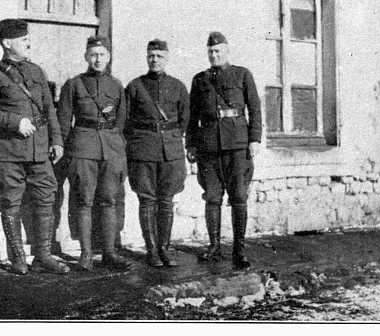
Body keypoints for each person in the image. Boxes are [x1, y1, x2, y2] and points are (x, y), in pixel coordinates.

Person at [0, 18, 69, 275]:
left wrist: (57, 140)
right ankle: (17, 259)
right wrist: (15, 122)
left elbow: (50, 109)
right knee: (10, 203)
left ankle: (43, 255)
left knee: (46, 197)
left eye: (28, 39)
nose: (29, 43)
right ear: (7, 43)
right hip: (6, 151)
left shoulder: (37, 71)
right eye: (23, 40)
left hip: (38, 150)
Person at [185, 32, 262, 270]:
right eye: (211, 51)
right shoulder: (200, 80)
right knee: (212, 198)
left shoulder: (242, 74)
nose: (214, 55)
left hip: (237, 146)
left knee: (239, 198)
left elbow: (255, 108)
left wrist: (254, 139)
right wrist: (191, 144)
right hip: (209, 148)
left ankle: (239, 250)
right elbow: (192, 116)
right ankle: (214, 246)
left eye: (218, 51)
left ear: (227, 51)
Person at [57, 35, 131, 271]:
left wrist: (117, 149)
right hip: (83, 147)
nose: (98, 59)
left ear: (109, 57)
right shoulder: (74, 84)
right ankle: (86, 254)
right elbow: (64, 122)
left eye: (102, 55)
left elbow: (121, 122)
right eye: (93, 55)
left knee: (109, 200)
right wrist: (68, 151)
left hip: (111, 149)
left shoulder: (117, 85)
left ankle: (109, 253)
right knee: (84, 201)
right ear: (86, 57)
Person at [124, 39, 189, 267]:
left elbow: (184, 120)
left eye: (159, 56)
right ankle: (151, 250)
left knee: (166, 200)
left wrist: (171, 138)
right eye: (151, 56)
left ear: (167, 58)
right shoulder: (134, 86)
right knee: (147, 200)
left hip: (171, 152)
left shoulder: (178, 86)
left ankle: (164, 248)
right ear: (146, 57)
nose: (155, 60)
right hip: (142, 150)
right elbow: (126, 121)